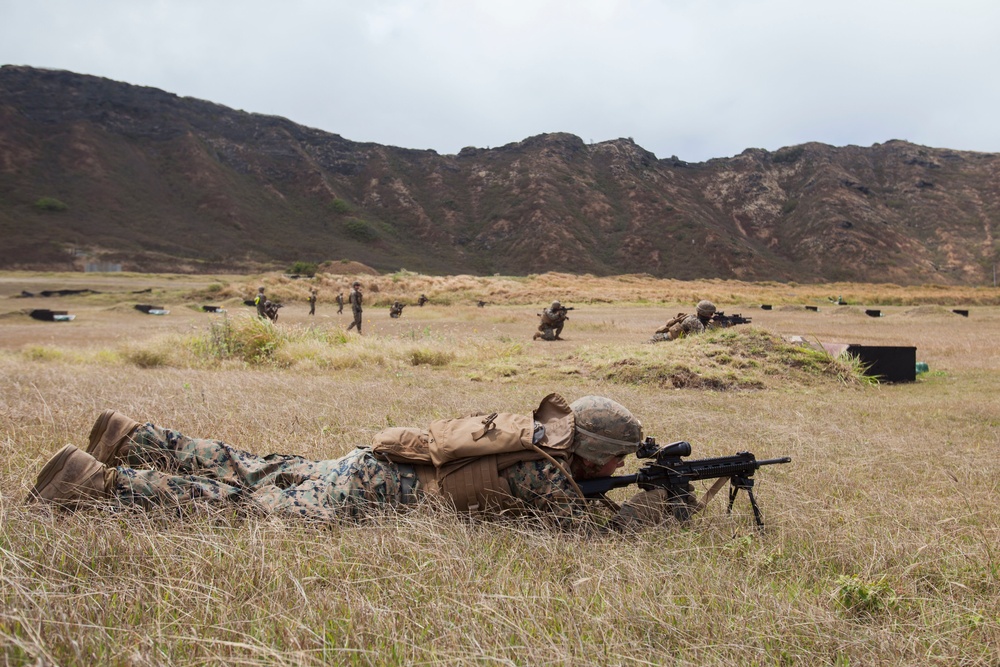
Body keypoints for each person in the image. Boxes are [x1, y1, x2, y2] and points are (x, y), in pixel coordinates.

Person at [26, 395, 680, 529]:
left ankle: (130, 435)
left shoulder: (528, 436)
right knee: (254, 507)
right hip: (372, 493)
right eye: (616, 457)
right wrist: (665, 502)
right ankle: (98, 484)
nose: (618, 464)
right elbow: (595, 536)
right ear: (590, 453)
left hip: (376, 458)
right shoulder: (546, 476)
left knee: (262, 466)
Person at [650, 300, 717, 342]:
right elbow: (702, 337)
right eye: (711, 314)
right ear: (704, 313)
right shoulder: (694, 321)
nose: (712, 316)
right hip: (661, 340)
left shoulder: (696, 319)